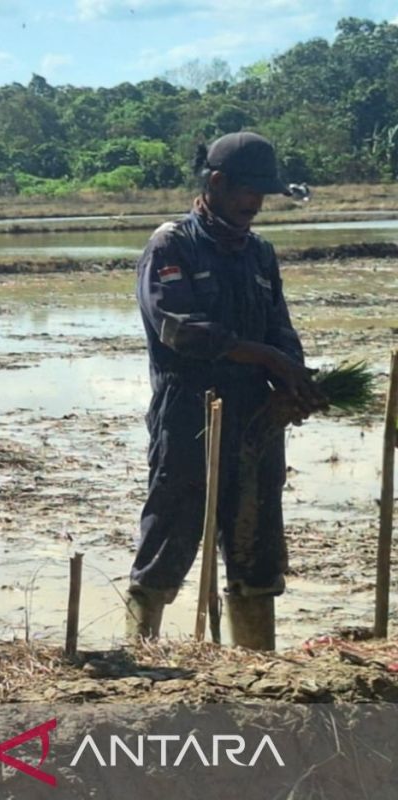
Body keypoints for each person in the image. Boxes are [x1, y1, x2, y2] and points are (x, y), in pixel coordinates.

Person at [127, 132, 326, 650]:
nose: (256, 204)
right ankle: (139, 651)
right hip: (189, 411)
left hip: (256, 417)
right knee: (171, 531)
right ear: (216, 184)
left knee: (256, 544)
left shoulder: (260, 254)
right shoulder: (172, 244)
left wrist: (293, 381)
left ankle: (258, 666)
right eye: (248, 192)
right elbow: (180, 330)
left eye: (263, 194)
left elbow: (280, 329)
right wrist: (265, 357)